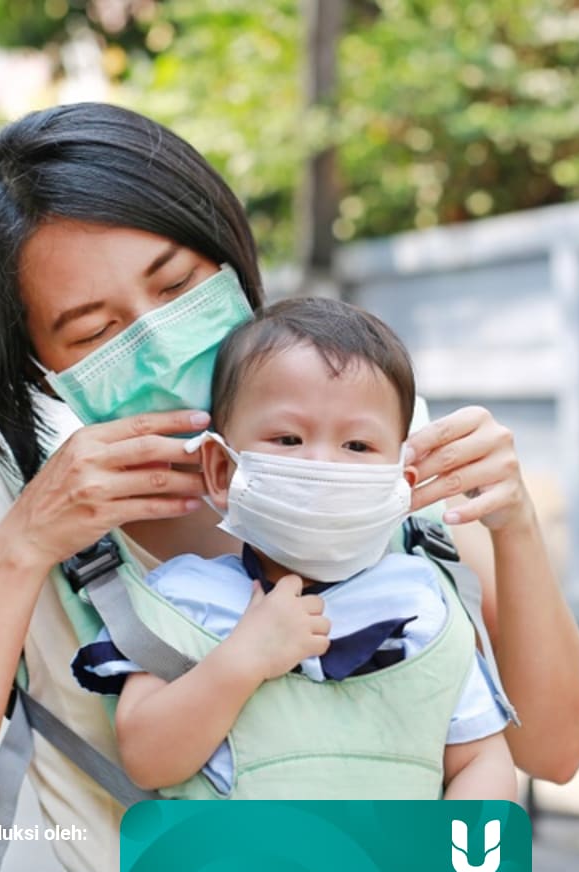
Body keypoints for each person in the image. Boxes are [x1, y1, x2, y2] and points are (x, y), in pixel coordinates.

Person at [0, 102, 579, 872]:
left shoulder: (386, 457)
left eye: (178, 284)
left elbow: (555, 750)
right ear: (35, 365)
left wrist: (516, 529)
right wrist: (25, 546)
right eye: (94, 331)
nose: (159, 336)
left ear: (229, 252)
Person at [72, 296, 518, 801]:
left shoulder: (424, 604)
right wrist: (243, 659)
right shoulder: (184, 601)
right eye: (288, 438)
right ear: (221, 470)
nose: (323, 466)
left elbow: (481, 759)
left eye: (357, 446)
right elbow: (148, 759)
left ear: (402, 483)